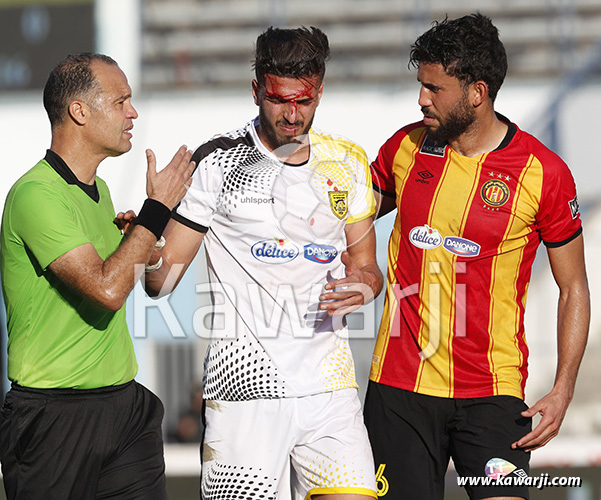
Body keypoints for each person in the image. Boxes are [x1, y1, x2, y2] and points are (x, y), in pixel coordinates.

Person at [144, 26, 382, 500]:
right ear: (256, 91)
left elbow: (367, 265)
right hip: (244, 398)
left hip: (329, 394)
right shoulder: (216, 162)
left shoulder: (348, 164)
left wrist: (365, 286)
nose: (293, 115)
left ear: (319, 92)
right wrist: (151, 223)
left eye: (305, 100)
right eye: (278, 100)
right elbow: (159, 282)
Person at [363, 13, 590, 500]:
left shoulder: (542, 173)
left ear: (477, 92)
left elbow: (574, 288)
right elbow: (345, 214)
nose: (421, 98)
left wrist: (563, 387)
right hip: (400, 388)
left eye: (434, 88)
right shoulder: (406, 147)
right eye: (421, 85)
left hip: (492, 391)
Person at [0, 53, 194, 499]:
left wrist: (145, 237)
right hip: (54, 418)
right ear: (80, 112)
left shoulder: (100, 191)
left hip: (124, 408)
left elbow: (140, 282)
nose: (133, 113)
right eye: (121, 100)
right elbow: (106, 290)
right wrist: (156, 210)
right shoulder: (35, 194)